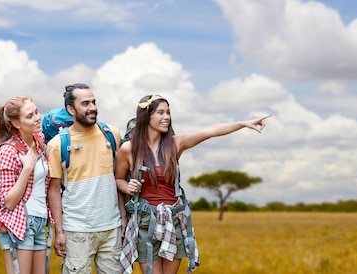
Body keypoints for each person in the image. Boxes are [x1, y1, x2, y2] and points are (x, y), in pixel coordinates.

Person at [116, 94, 270, 274]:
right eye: (160, 113)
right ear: (146, 116)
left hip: (174, 219)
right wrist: (127, 187)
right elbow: (118, 179)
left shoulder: (175, 144)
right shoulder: (129, 149)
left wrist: (244, 123)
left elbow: (211, 130)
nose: (167, 117)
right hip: (145, 222)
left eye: (168, 112)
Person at [46, 83, 123, 274]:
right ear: (71, 109)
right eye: (85, 103)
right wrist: (59, 232)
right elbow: (53, 190)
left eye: (94, 102)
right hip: (77, 231)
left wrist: (123, 219)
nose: (92, 108)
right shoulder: (58, 145)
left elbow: (119, 178)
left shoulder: (111, 134)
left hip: (112, 229)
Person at [0, 96, 54, 274]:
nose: (37, 117)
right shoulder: (8, 150)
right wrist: (26, 169)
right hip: (21, 223)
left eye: (36, 112)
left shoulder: (40, 142)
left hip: (41, 221)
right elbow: (8, 202)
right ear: (17, 123)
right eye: (29, 116)